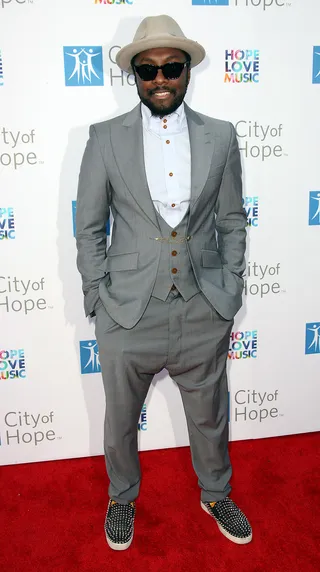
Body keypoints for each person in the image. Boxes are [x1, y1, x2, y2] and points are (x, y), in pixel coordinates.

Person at [76, 14, 251, 551]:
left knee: (210, 412)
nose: (160, 78)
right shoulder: (104, 139)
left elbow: (231, 219)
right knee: (121, 419)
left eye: (171, 68)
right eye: (148, 69)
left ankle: (215, 493)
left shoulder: (220, 137)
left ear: (186, 72)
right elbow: (88, 226)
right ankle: (122, 498)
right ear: (133, 75)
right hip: (128, 309)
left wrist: (232, 289)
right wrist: (97, 298)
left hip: (202, 304)